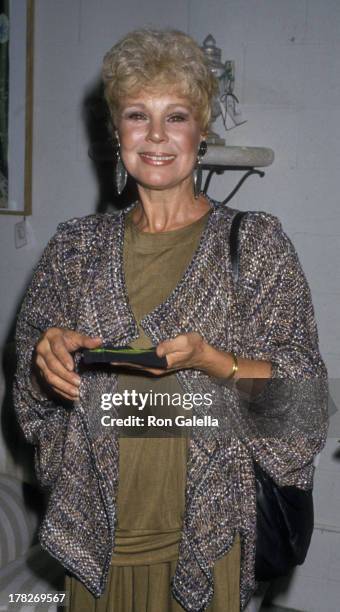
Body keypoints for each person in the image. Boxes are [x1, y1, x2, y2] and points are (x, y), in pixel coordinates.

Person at [13, 29, 328, 612]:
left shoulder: (255, 244)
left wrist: (217, 362)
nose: (156, 135)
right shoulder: (74, 250)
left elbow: (305, 408)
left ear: (201, 132)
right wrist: (44, 361)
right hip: (96, 543)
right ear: (117, 131)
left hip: (206, 542)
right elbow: (33, 402)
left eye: (176, 115)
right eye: (138, 114)